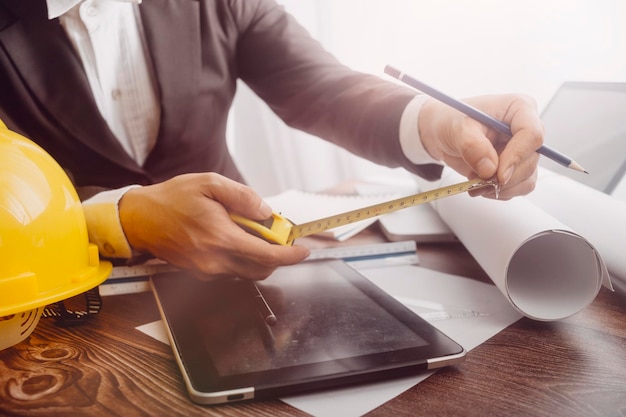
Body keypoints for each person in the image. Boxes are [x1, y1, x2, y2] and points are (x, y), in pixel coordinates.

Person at [0, 0, 543, 281]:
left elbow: (323, 88)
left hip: (246, 279)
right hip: (60, 313)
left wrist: (433, 122)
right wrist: (125, 218)